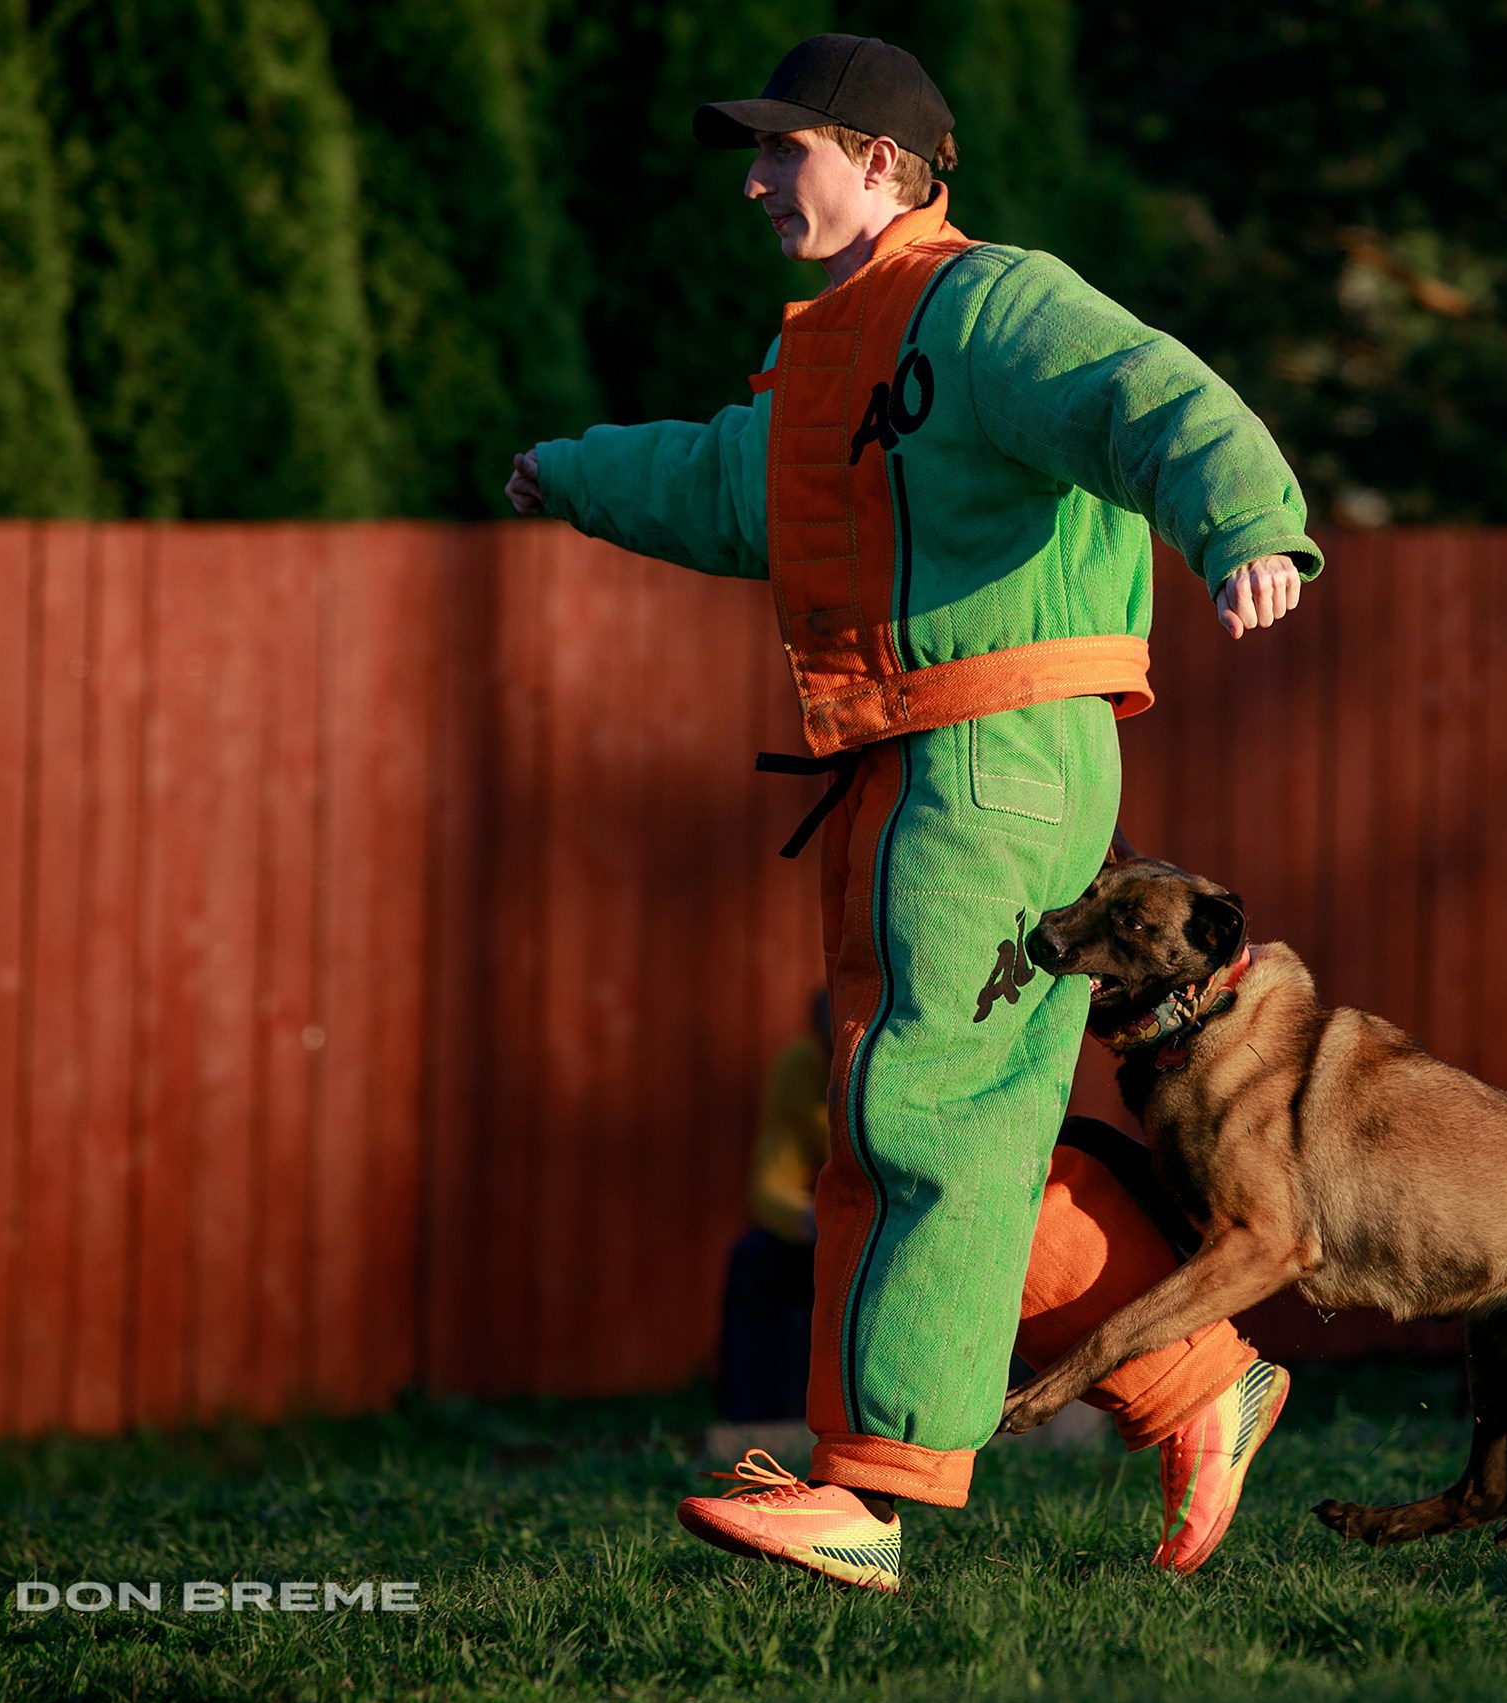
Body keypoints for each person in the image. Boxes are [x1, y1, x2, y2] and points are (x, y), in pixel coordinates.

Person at [505, 34, 1311, 1591]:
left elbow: (1144, 391)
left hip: (991, 756)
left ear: (882, 160)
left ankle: (869, 1491)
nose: (752, 178)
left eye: (781, 148)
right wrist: (580, 471)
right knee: (944, 1115)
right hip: (911, 764)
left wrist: (1249, 523)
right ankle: (1200, 1382)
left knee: (915, 1114)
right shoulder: (840, 343)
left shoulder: (993, 301)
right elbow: (735, 483)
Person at [716, 989, 832, 1425]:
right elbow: (768, 1186)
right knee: (754, 1259)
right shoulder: (799, 1068)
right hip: (825, 1231)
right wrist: (810, 1218)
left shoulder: (905, 1070)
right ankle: (751, 1426)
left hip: (892, 1238)